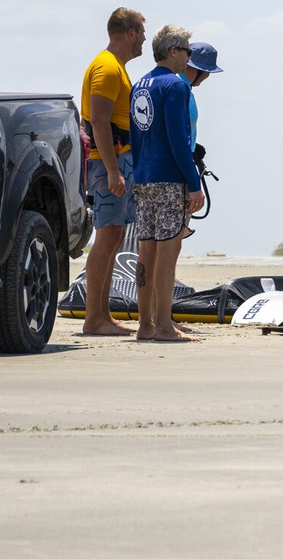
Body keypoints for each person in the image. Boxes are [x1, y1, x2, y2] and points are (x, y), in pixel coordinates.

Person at [129, 25, 206, 342]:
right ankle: (163, 325)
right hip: (169, 178)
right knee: (167, 252)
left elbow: (136, 137)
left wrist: (139, 172)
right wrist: (193, 183)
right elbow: (179, 139)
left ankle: (145, 325)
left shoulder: (140, 85)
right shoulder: (175, 87)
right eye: (187, 51)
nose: (189, 57)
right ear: (173, 51)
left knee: (146, 252)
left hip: (144, 178)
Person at [80, 7, 146, 335]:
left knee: (116, 234)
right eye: (142, 33)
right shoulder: (106, 67)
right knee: (106, 235)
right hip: (109, 161)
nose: (145, 39)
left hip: (118, 161)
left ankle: (103, 316)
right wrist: (111, 170)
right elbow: (99, 121)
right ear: (130, 33)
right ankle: (93, 319)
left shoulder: (117, 67)